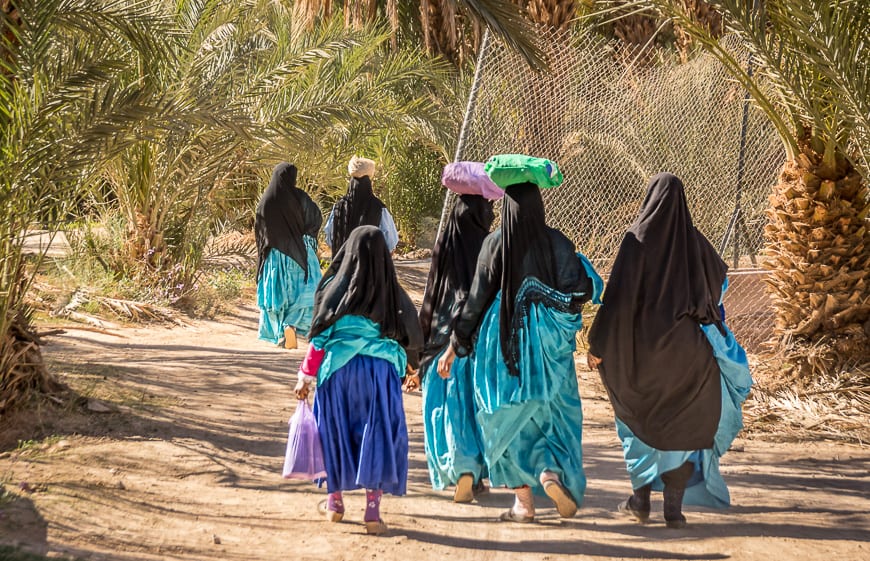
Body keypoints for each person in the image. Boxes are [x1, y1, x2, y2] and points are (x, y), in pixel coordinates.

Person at [437, 154, 602, 523]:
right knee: (548, 415)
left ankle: (523, 505)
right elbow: (580, 291)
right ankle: (549, 472)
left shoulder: (494, 244)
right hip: (549, 352)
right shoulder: (559, 243)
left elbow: (477, 299)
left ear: (506, 207)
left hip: (502, 348)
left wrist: (454, 346)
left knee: (504, 419)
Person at [586, 172, 753, 529]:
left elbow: (616, 299)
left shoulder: (636, 240)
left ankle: (640, 500)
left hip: (638, 354)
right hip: (686, 355)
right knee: (681, 426)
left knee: (636, 422)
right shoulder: (696, 244)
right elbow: (718, 284)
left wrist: (597, 343)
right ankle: (673, 511)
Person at [294, 226, 423, 536]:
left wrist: (305, 377)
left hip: (338, 374)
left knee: (334, 433)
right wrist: (412, 371)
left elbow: (319, 338)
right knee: (376, 435)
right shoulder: (392, 293)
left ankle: (335, 501)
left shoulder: (333, 291)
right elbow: (410, 334)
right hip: (379, 375)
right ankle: (373, 510)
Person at [413, 162, 498, 503]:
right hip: (475, 335)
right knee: (475, 405)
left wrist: (421, 347)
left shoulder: (447, 237)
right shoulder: (490, 243)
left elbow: (432, 292)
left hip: (441, 332)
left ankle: (457, 464)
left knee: (447, 405)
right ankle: (475, 471)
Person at [255, 163, 323, 345]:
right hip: (300, 254)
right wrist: (308, 236)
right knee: (305, 294)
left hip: (275, 257)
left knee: (278, 295)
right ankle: (290, 324)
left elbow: (260, 229)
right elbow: (316, 217)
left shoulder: (266, 200)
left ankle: (280, 332)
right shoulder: (300, 197)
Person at [324, 156, 398, 257]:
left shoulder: (339, 206)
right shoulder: (378, 208)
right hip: (370, 268)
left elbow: (329, 237)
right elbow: (390, 241)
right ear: (369, 182)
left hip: (342, 267)